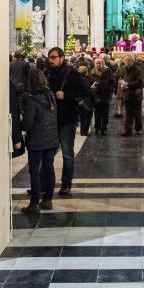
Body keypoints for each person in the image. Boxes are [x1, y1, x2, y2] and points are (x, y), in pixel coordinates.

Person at [47, 47, 88, 196]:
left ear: (62, 58)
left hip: (67, 119)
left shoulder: (72, 73)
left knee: (67, 153)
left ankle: (66, 184)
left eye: (53, 57)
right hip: (50, 119)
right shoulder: (48, 72)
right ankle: (44, 184)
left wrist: (66, 95)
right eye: (49, 57)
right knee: (47, 153)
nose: (50, 60)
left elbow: (85, 92)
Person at [21, 67, 59, 214]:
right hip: (51, 138)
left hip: (37, 140)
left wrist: (20, 123)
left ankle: (34, 203)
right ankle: (48, 200)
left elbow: (28, 124)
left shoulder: (31, 99)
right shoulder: (50, 95)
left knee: (34, 171)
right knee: (49, 169)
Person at [120, 54, 144, 136]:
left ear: (132, 61)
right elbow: (122, 78)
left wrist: (128, 84)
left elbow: (140, 82)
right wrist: (122, 84)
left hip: (136, 95)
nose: (126, 62)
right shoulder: (125, 69)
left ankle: (138, 129)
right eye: (125, 60)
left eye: (127, 60)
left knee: (137, 114)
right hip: (127, 95)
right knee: (128, 114)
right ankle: (128, 130)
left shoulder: (138, 70)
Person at [91, 57, 115, 135]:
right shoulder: (92, 72)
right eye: (96, 63)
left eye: (99, 63)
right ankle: (97, 128)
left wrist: (110, 90)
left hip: (106, 95)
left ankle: (104, 128)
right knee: (97, 113)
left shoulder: (108, 71)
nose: (98, 65)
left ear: (103, 63)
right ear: (94, 64)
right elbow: (88, 82)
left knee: (105, 113)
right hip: (96, 95)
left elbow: (112, 82)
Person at [76, 65, 94, 136]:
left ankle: (82, 131)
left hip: (79, 100)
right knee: (87, 117)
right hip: (86, 100)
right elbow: (88, 91)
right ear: (85, 71)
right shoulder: (85, 80)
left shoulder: (76, 79)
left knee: (82, 117)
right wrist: (92, 89)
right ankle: (84, 131)